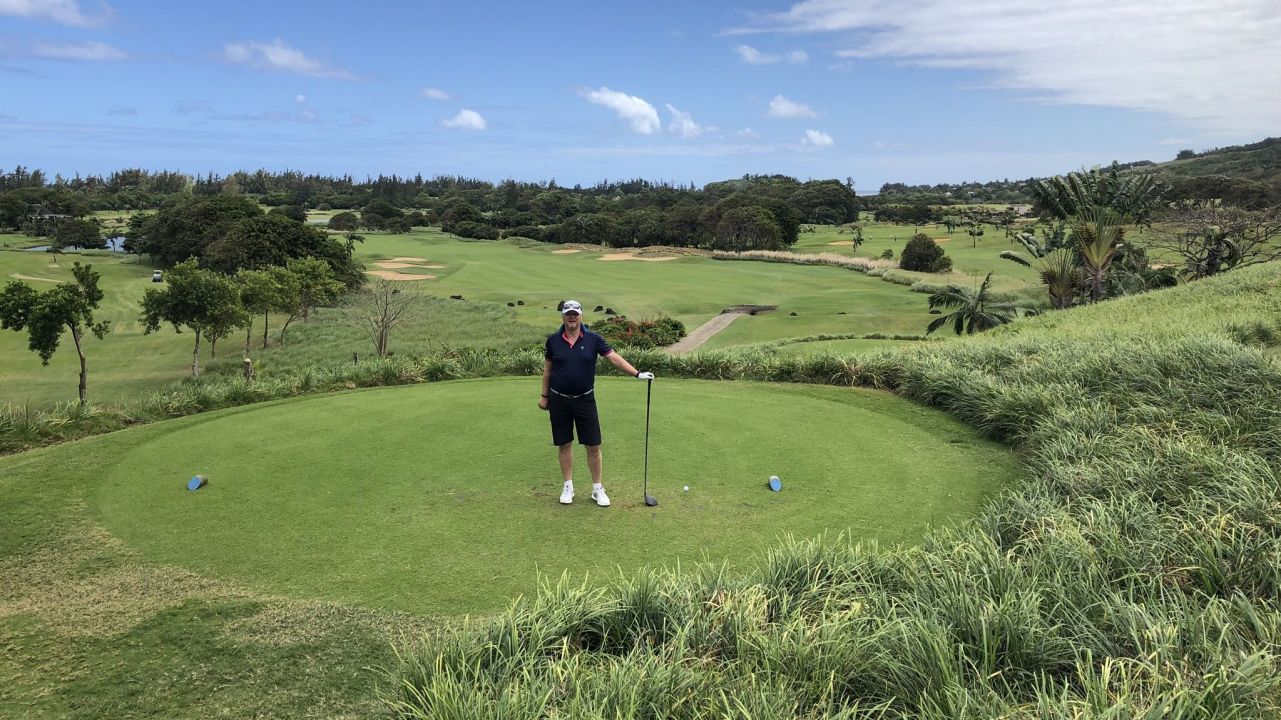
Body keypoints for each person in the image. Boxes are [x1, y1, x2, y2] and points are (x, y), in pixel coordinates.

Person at [539, 299, 654, 506]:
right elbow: (548, 371)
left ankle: (597, 489)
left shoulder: (593, 339)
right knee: (564, 444)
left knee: (593, 445)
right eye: (568, 313)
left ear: (581, 316)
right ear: (563, 316)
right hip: (559, 400)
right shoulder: (553, 341)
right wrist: (544, 396)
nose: (572, 317)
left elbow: (614, 358)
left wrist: (637, 374)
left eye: (575, 314)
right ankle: (568, 486)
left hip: (585, 399)